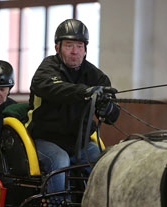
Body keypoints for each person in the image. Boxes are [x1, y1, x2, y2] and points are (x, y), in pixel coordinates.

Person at [25, 19, 120, 196]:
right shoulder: (46, 69)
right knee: (60, 161)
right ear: (57, 48)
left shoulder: (96, 76)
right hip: (45, 140)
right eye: (69, 45)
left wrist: (108, 109)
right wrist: (85, 91)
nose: (75, 52)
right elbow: (53, 88)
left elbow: (113, 116)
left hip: (80, 142)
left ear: (85, 50)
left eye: (79, 46)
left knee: (105, 162)